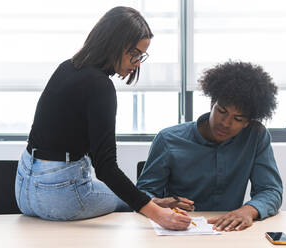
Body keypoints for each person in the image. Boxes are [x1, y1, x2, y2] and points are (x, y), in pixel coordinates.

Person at [15, 6, 191, 230]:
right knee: (125, 203)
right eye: (134, 53)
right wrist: (157, 214)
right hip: (58, 197)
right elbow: (106, 167)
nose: (137, 63)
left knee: (125, 197)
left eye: (141, 56)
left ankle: (146, 201)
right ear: (114, 44)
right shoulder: (100, 86)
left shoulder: (66, 67)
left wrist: (142, 201)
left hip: (23, 188)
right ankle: (149, 203)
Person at [137, 61, 283, 232]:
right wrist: (158, 203)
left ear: (247, 122)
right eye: (222, 111)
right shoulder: (169, 139)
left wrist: (248, 211)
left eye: (238, 119)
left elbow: (271, 190)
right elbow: (143, 193)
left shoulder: (256, 136)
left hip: (228, 232)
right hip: (177, 231)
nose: (226, 123)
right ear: (212, 103)